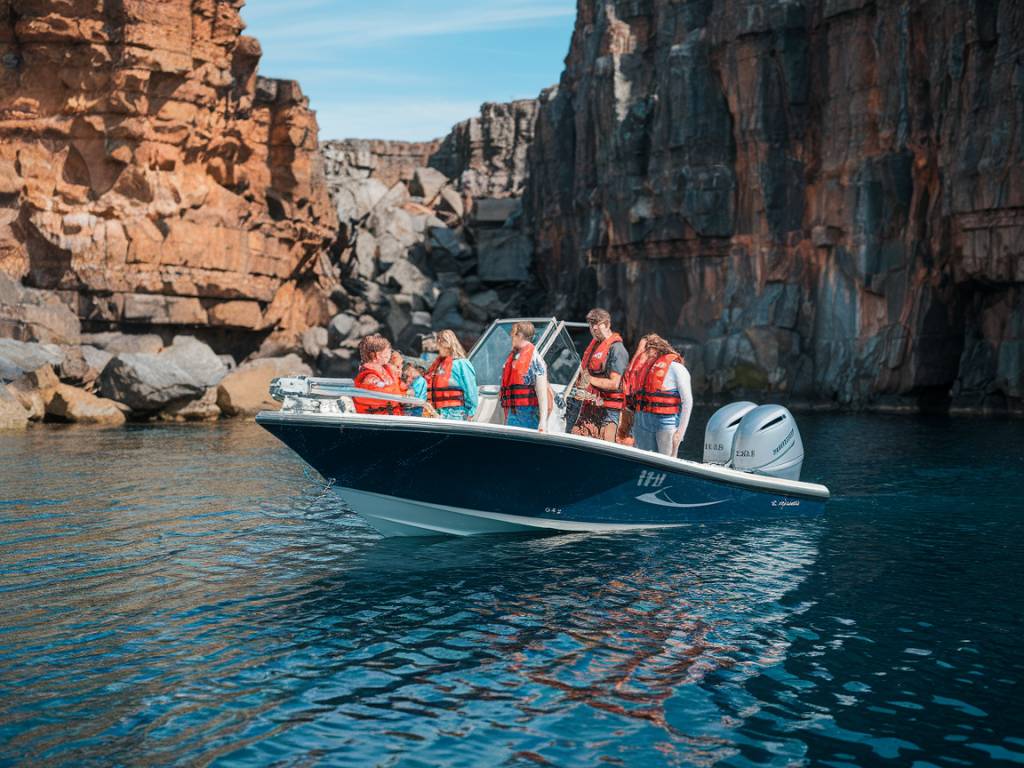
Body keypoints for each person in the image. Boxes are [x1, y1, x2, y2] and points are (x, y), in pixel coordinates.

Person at [572, 308, 629, 442]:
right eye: (592, 325)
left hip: (610, 410)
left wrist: (589, 379)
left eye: (598, 325)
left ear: (607, 325)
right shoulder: (595, 346)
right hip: (591, 405)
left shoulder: (617, 349)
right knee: (575, 437)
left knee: (605, 446)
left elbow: (614, 383)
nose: (594, 329)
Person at [631, 334, 693, 456]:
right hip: (641, 419)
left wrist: (679, 434)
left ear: (658, 349)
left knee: (667, 462)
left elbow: (687, 402)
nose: (644, 353)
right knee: (642, 460)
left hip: (665, 422)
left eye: (648, 349)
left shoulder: (677, 368)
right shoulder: (644, 368)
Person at [500, 321, 550, 432]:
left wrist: (543, 421)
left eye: (513, 333)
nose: (511, 336)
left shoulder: (535, 359)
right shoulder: (514, 356)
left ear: (520, 336)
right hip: (513, 412)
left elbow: (541, 391)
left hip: (528, 414)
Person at [425, 329, 478, 421]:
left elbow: (471, 390)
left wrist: (471, 413)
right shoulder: (439, 365)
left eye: (439, 345)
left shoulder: (462, 364)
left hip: (456, 414)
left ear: (445, 344)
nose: (438, 349)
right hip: (438, 413)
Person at [617, 333, 656, 446]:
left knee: (625, 437)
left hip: (634, 407)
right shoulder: (641, 365)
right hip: (631, 406)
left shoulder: (644, 366)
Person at [352, 334, 404, 415]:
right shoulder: (370, 377)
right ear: (378, 355)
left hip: (392, 416)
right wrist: (403, 394)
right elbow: (387, 396)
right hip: (380, 419)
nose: (390, 353)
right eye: (388, 351)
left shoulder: (386, 370)